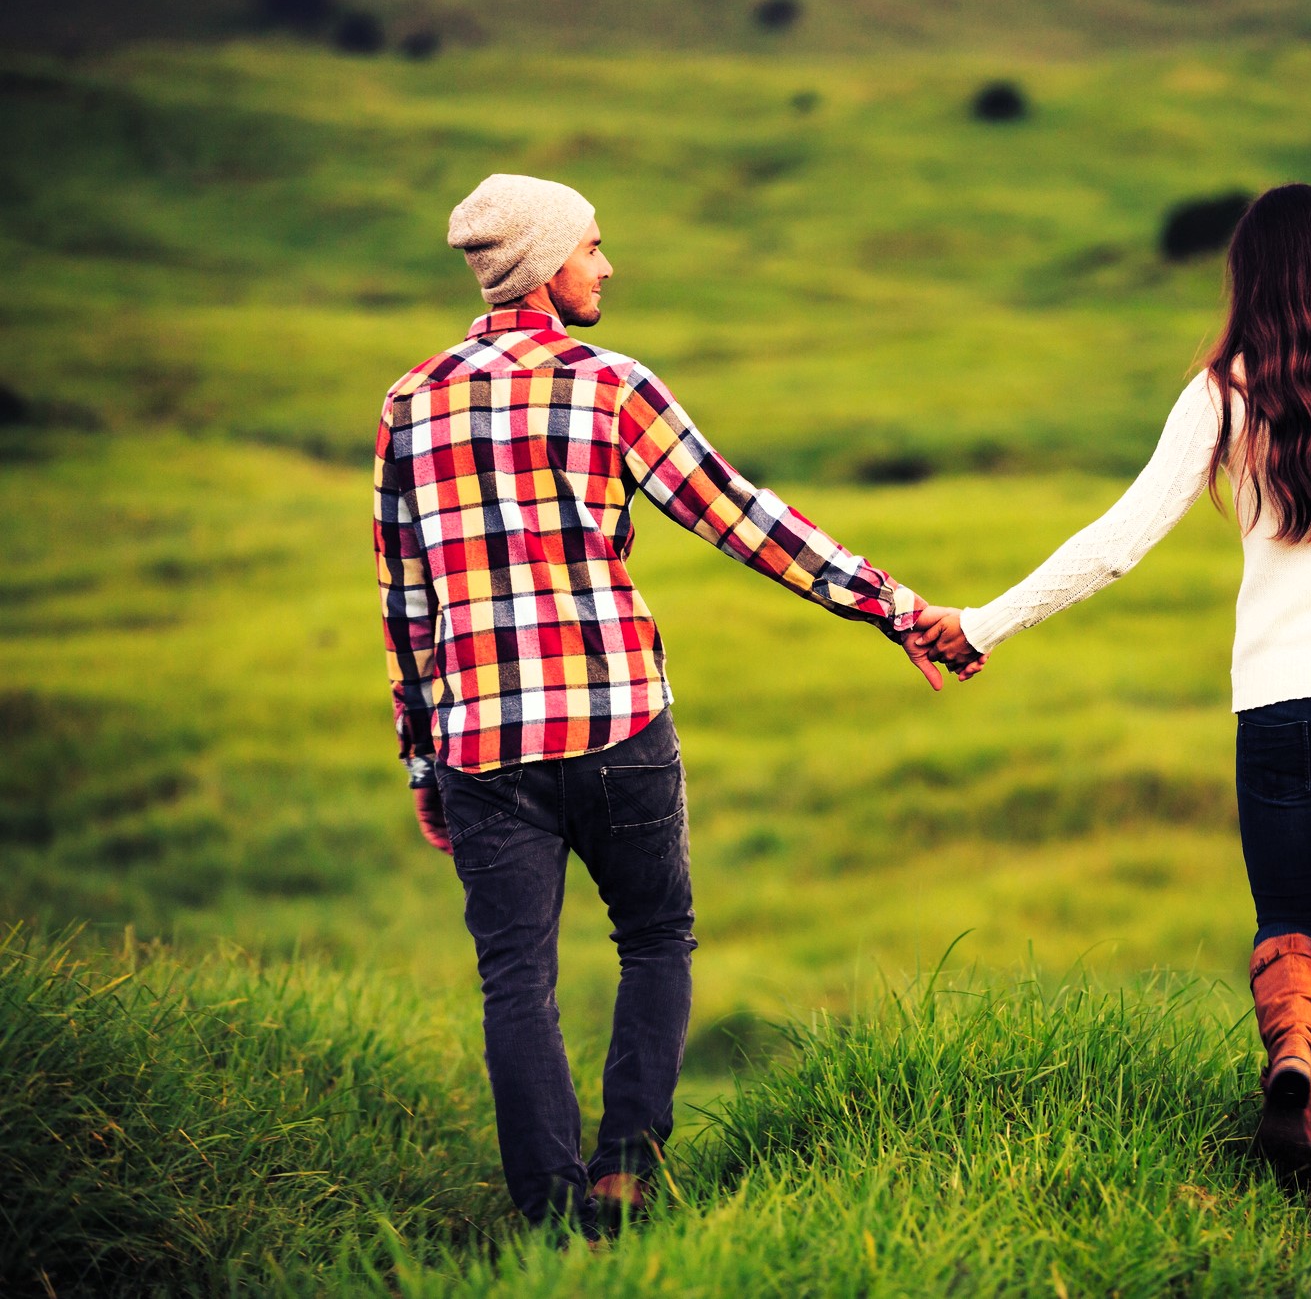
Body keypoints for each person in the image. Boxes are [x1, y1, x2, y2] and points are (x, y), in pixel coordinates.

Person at [372, 174, 977, 1237]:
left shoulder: (408, 403)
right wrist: (891, 605)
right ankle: (624, 1171)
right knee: (655, 935)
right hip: (616, 719)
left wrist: (424, 761)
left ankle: (551, 1221)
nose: (606, 266)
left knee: (515, 978)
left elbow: (404, 600)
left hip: (479, 744)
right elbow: (742, 519)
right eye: (592, 247)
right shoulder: (609, 385)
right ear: (546, 266)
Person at [911, 183, 1311, 1217]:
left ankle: (1293, 1052)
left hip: (1277, 703)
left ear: (1249, 279)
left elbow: (1115, 543)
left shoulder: (1222, 393)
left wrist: (979, 623)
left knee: (1288, 916)